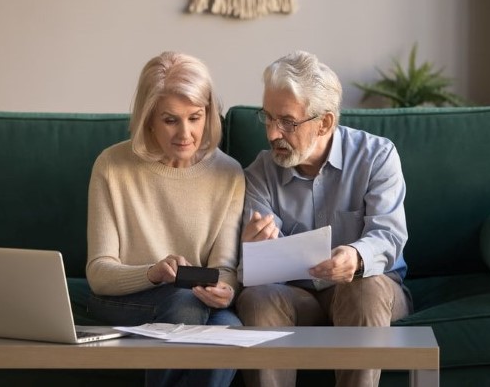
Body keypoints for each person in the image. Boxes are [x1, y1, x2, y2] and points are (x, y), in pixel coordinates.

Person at [236, 51, 412, 387]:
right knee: (257, 299)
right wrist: (252, 250)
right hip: (296, 297)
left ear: (325, 123)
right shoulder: (259, 172)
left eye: (287, 122)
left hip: (370, 292)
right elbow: (252, 271)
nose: (273, 133)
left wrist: (356, 256)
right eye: (268, 118)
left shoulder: (377, 156)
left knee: (365, 287)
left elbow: (389, 237)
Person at [86, 51, 245, 387]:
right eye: (170, 120)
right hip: (124, 297)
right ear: (149, 118)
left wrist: (226, 291)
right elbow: (99, 273)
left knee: (228, 328)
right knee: (185, 304)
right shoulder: (111, 165)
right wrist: (153, 272)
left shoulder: (230, 173)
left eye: (195, 117)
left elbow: (226, 269)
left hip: (196, 302)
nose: (185, 133)